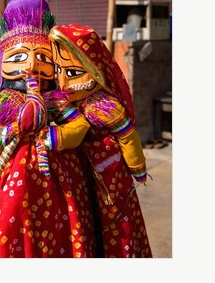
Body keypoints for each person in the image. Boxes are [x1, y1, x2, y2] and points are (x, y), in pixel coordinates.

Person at [0, 0, 96, 258]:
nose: (32, 65)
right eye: (19, 57)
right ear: (3, 61)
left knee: (61, 228)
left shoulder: (57, 101)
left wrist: (58, 137)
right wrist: (6, 134)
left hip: (58, 177)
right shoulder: (4, 102)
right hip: (11, 177)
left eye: (43, 58)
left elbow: (80, 124)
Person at [46, 24, 152, 258]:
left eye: (73, 73)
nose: (63, 81)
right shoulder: (62, 103)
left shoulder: (106, 107)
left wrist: (137, 168)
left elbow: (128, 137)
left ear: (94, 69)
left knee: (112, 221)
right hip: (78, 173)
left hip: (108, 175)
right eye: (57, 71)